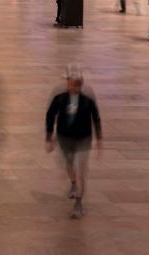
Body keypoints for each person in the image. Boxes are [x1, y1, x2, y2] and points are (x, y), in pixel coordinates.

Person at [45, 68, 102, 219]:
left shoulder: (87, 101)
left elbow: (96, 118)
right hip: (65, 138)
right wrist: (49, 137)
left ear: (80, 86)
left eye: (76, 85)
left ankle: (78, 203)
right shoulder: (59, 98)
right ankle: (73, 182)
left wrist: (99, 140)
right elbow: (50, 116)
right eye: (70, 84)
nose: (72, 87)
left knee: (81, 172)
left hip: (83, 139)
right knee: (69, 164)